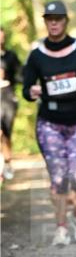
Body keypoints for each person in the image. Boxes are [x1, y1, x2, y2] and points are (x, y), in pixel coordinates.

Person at [22, 1, 76, 246]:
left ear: (66, 21)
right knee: (58, 178)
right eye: (49, 19)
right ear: (45, 22)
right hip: (49, 123)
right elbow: (26, 88)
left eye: (58, 19)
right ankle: (61, 227)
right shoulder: (37, 55)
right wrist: (31, 91)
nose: (54, 23)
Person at [0, 26, 22, 180]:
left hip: (8, 98)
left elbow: (21, 76)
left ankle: (8, 162)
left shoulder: (11, 56)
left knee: (6, 133)